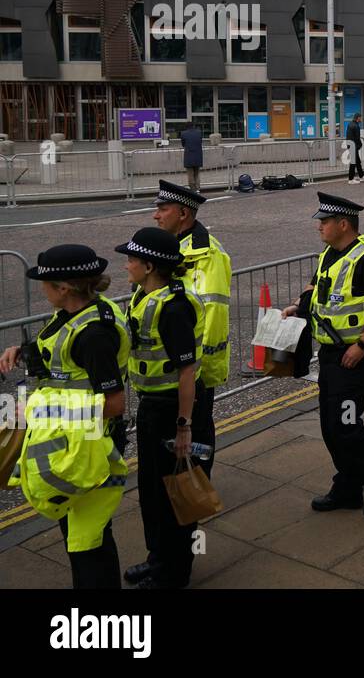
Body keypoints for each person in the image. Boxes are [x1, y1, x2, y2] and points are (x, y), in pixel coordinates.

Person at [0, 245, 129, 589]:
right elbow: (63, 361)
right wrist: (24, 353)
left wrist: (40, 412)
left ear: (64, 288)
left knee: (88, 542)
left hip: (90, 446)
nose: (40, 288)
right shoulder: (76, 314)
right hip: (73, 443)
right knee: (83, 535)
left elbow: (116, 404)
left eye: (45, 282)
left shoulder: (95, 335)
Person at [284, 192, 364, 518]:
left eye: (324, 221)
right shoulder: (330, 253)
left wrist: (362, 345)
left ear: (343, 223)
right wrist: (298, 306)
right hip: (331, 355)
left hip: (356, 357)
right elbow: (314, 289)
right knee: (329, 425)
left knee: (346, 425)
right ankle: (348, 486)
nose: (319, 227)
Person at [115, 227, 203, 588]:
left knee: (172, 496)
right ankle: (158, 559)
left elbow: (187, 371)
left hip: (169, 409)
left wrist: (185, 427)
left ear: (149, 265)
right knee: (151, 492)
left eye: (132, 260)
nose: (127, 266)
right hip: (152, 406)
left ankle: (174, 573)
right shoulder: (144, 295)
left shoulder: (173, 307)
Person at [152, 180, 230, 479]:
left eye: (163, 209)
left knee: (195, 433)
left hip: (192, 367)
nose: (156, 216)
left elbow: (213, 314)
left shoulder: (206, 254)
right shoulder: (169, 248)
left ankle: (197, 486)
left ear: (183, 214)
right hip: (170, 364)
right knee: (178, 432)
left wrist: (195, 369)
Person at [179, 121, 203, 192]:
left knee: (190, 174)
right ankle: (198, 188)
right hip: (198, 156)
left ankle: (193, 189)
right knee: (197, 173)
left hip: (189, 156)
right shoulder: (199, 132)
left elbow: (183, 144)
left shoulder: (183, 133)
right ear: (193, 126)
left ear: (186, 127)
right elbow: (200, 142)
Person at [346, 113, 364, 184]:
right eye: (360, 118)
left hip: (350, 144)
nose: (361, 119)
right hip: (353, 146)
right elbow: (357, 138)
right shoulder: (356, 126)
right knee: (353, 163)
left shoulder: (350, 124)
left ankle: (361, 176)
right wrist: (360, 145)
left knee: (358, 162)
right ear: (358, 118)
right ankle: (351, 179)